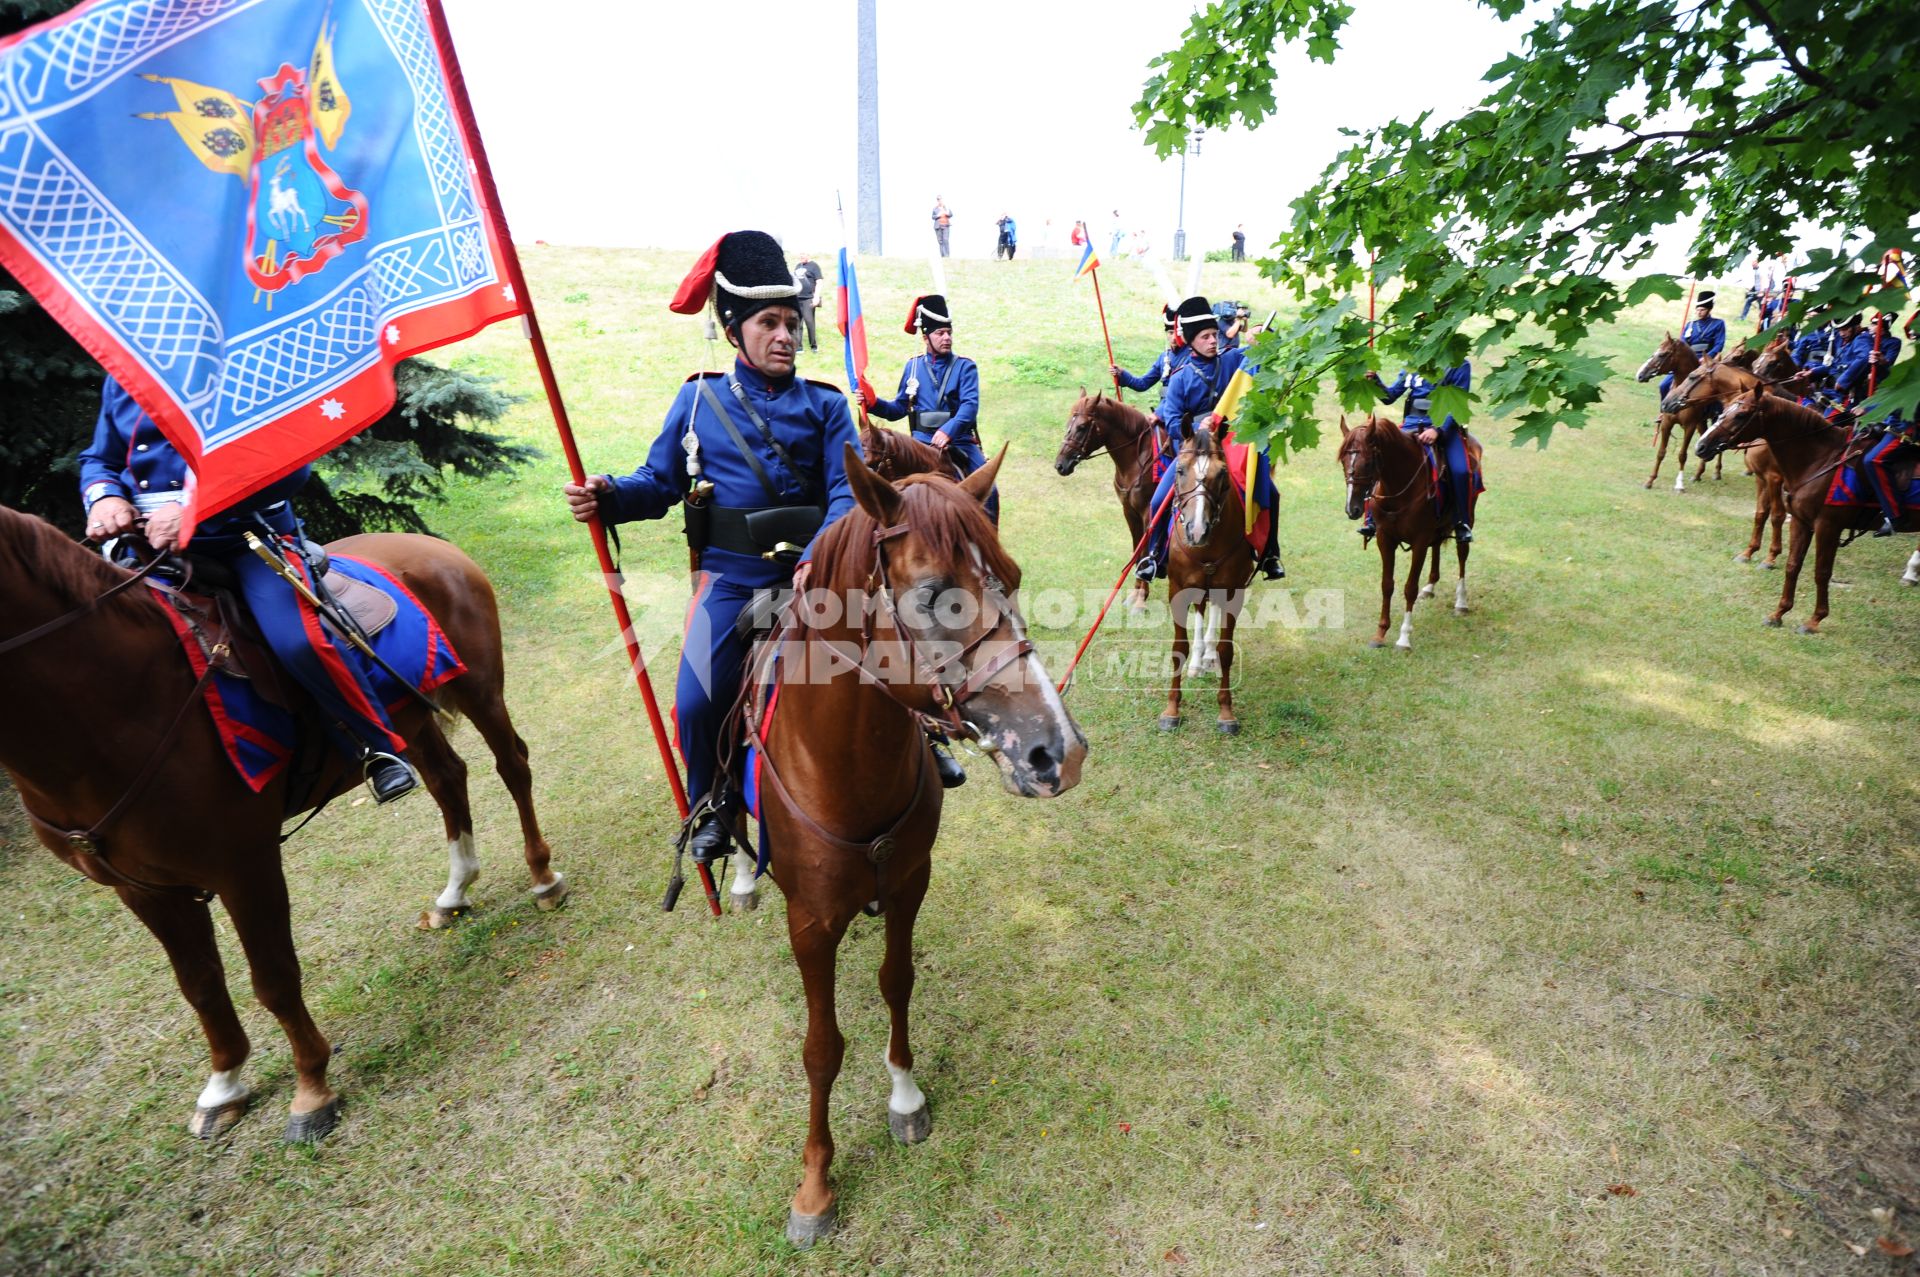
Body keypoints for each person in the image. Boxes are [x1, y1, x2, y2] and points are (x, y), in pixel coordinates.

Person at [563, 230, 865, 864]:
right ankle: (716, 802)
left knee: (897, 662)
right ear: (735, 331)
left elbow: (848, 493)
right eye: (768, 323)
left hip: (821, 576)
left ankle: (927, 741)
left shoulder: (828, 407)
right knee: (697, 701)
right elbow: (660, 484)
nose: (785, 335)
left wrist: (821, 559)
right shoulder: (696, 400)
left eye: (792, 322)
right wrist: (609, 495)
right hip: (732, 582)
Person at [79, 378, 419, 803]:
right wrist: (104, 498)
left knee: (296, 642)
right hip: (145, 546)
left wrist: (191, 511)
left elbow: (292, 466)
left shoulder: (242, 361)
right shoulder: (124, 368)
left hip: (242, 538)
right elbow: (99, 458)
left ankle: (377, 749)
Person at [1134, 296, 1283, 582]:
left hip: (1231, 447)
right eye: (1205, 337)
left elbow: (1261, 356)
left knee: (1270, 493)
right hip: (1192, 451)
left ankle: (1269, 555)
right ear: (1191, 341)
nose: (1213, 341)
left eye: (1215, 335)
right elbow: (1174, 420)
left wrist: (1262, 337)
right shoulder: (1179, 378)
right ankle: (1155, 558)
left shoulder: (1231, 360)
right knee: (1156, 502)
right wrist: (1197, 431)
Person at [869, 294, 999, 524]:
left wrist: (948, 431)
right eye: (940, 333)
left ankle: (987, 541)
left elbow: (969, 407)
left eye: (949, 332)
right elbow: (898, 408)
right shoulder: (913, 366)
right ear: (926, 337)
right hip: (919, 444)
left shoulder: (965, 366)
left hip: (958, 442)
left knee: (990, 491)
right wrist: (872, 402)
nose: (947, 338)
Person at [1365, 361, 1478, 543]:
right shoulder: (1413, 361)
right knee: (1379, 457)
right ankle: (1372, 518)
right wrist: (1375, 381)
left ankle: (1461, 522)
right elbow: (1390, 396)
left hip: (1444, 428)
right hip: (1411, 425)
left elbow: (1458, 405)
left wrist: (1438, 430)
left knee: (1461, 471)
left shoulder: (1459, 364)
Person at [1111, 304, 1191, 431]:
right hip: (1165, 412)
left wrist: (1159, 413)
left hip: (1182, 415)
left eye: (1176, 333)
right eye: (1170, 332)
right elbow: (1142, 384)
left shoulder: (1191, 357)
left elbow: (1179, 394)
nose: (1174, 337)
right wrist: (1122, 374)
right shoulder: (1164, 357)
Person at [1860, 407, 1916, 537]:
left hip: (1908, 427)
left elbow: (1902, 403)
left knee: (1874, 461)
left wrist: (1870, 408)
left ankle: (1895, 517)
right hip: (1892, 423)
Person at [1660, 292, 1726, 400]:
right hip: (1687, 359)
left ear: (1709, 310)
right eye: (1698, 310)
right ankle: (1663, 412)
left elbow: (1719, 344)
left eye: (1702, 310)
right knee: (1663, 385)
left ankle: (1715, 413)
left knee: (1714, 389)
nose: (1699, 312)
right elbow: (1682, 343)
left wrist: (1707, 357)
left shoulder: (1718, 324)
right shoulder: (1691, 325)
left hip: (1706, 360)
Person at [792, 254, 824, 352]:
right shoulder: (798, 266)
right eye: (800, 256)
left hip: (808, 299)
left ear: (808, 255)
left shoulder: (814, 266)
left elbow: (819, 282)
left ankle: (813, 346)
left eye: (802, 256)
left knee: (809, 322)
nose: (801, 258)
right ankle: (798, 347)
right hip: (797, 298)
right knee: (797, 323)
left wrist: (816, 297)